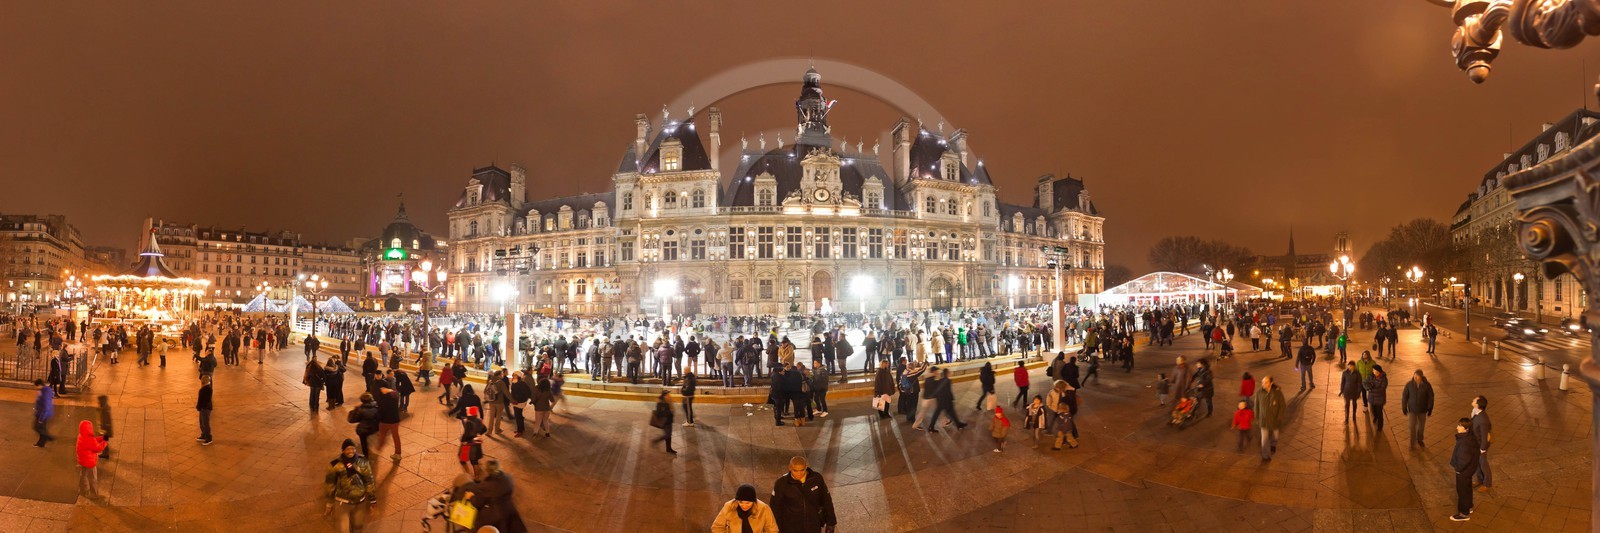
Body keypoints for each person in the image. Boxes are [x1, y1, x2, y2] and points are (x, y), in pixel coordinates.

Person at [770, 456, 837, 533]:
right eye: (795, 470)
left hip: (813, 525)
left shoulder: (816, 479)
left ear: (806, 467)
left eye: (802, 470)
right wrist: (777, 529)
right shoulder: (781, 483)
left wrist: (831, 522)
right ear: (790, 468)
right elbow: (775, 508)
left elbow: (826, 500)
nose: (799, 473)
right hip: (791, 527)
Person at [324, 439, 376, 532]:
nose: (350, 451)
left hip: (360, 501)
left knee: (358, 526)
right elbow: (330, 485)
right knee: (343, 530)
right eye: (348, 449)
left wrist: (372, 499)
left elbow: (369, 480)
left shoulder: (363, 461)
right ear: (343, 450)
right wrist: (329, 504)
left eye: (352, 449)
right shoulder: (335, 465)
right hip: (342, 502)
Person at [469, 459, 527, 532]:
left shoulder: (486, 485)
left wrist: (471, 497)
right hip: (510, 510)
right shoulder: (508, 478)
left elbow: (477, 502)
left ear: (487, 470)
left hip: (495, 515)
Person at [711, 484, 779, 533]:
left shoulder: (764, 509)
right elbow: (717, 527)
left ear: (754, 502)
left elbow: (772, 530)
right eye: (741, 502)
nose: (744, 505)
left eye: (748, 503)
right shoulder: (728, 506)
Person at [1449, 418, 1480, 522]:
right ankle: (1469, 506)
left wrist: (1458, 469)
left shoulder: (1464, 442)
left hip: (1463, 471)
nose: (1457, 427)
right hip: (1469, 469)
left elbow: (1463, 459)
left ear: (1466, 429)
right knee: (1467, 488)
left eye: (1460, 426)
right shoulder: (1471, 437)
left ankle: (1463, 513)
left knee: (1462, 491)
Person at [75, 420, 108, 498]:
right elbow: (98, 447)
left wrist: (102, 438)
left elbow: (94, 441)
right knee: (93, 478)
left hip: (83, 460)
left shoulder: (82, 435)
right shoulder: (89, 439)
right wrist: (105, 441)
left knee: (83, 475)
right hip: (89, 462)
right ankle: (94, 494)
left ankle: (83, 490)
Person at [1402, 369, 1435, 446]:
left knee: (1421, 426)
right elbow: (1405, 396)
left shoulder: (1427, 385)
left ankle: (1420, 439)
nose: (1415, 377)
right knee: (1412, 426)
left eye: (1417, 376)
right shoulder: (1409, 385)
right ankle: (1412, 441)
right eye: (1414, 375)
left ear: (1421, 376)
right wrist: (1404, 407)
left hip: (1422, 410)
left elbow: (1431, 397)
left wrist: (1430, 408)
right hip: (1412, 409)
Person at [1257, 375, 1286, 461]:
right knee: (1264, 439)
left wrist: (1279, 417)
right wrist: (1257, 417)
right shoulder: (1259, 393)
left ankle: (1273, 444)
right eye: (1262, 382)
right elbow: (1256, 406)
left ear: (1271, 383)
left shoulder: (1277, 393)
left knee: (1275, 435)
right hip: (1264, 420)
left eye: (1266, 382)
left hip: (1274, 419)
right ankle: (1265, 455)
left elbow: (1282, 406)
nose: (1263, 384)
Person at [374, 384, 403, 462]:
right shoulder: (395, 395)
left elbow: (380, 411)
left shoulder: (383, 399)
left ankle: (378, 449)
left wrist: (378, 419)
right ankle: (398, 453)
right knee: (396, 436)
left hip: (385, 421)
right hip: (395, 420)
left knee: (382, 435)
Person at [1471, 396, 1493, 492]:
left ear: (1478, 404)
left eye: (1474, 400)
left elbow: (1484, 436)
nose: (1472, 400)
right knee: (1477, 463)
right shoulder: (1476, 412)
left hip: (1481, 445)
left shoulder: (1483, 419)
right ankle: (1479, 479)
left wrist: (1483, 449)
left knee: (1483, 464)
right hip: (1475, 444)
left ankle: (1487, 484)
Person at [348, 392, 380, 458]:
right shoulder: (377, 407)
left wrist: (354, 411)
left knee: (363, 439)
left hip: (364, 429)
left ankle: (366, 455)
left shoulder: (360, 409)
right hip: (375, 428)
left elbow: (352, 420)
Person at [458, 406, 487, 478]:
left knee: (465, 453)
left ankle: (463, 461)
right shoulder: (479, 420)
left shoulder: (468, 422)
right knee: (474, 460)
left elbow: (466, 433)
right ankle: (477, 477)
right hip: (476, 441)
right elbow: (485, 429)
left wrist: (463, 440)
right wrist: (479, 434)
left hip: (468, 441)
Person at [651, 390, 676, 454]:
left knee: (669, 435)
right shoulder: (661, 403)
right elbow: (659, 413)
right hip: (665, 421)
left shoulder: (669, 402)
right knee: (668, 435)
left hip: (669, 420)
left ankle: (669, 448)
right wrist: (670, 411)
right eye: (668, 394)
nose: (669, 395)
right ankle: (656, 441)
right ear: (664, 396)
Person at [1365, 365, 1389, 431]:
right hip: (1372, 398)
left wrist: (1371, 389)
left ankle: (1380, 426)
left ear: (1378, 371)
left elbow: (1382, 388)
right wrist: (1367, 387)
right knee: (1373, 410)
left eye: (1374, 370)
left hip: (1379, 399)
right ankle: (1375, 417)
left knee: (1379, 413)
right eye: (1373, 370)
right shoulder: (1371, 376)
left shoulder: (1383, 378)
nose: (1373, 371)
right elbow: (1365, 382)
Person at [32, 380, 54, 447]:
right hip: (41, 413)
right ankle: (41, 443)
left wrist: (42, 418)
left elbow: (46, 405)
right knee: (42, 428)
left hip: (42, 414)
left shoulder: (45, 392)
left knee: (37, 427)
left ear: (39, 385)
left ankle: (48, 437)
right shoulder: (44, 391)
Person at [196, 375, 213, 445]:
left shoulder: (208, 389)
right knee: (201, 422)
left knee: (205, 423)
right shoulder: (204, 388)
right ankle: (203, 435)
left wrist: (200, 406)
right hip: (202, 408)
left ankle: (208, 438)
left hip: (205, 408)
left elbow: (205, 400)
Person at [96, 395, 113, 459]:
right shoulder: (105, 407)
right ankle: (105, 453)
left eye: (99, 401)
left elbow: (105, 420)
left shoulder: (105, 409)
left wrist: (102, 429)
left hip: (105, 429)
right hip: (106, 428)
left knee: (104, 441)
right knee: (104, 441)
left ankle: (105, 454)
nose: (98, 402)